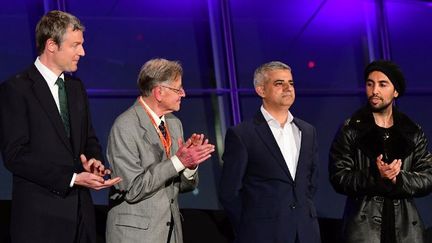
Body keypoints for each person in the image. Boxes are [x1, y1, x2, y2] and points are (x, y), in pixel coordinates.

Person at [0, 10, 121, 243]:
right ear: (51, 45)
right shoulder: (16, 90)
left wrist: (94, 162)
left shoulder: (76, 89)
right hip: (41, 223)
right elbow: (15, 155)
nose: (82, 52)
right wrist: (73, 178)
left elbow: (89, 140)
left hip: (82, 219)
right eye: (75, 45)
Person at [105, 58, 215, 243]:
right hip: (136, 236)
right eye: (178, 89)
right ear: (159, 92)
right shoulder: (125, 126)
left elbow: (180, 186)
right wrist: (179, 161)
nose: (184, 94)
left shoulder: (174, 123)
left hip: (171, 234)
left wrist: (190, 165)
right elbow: (133, 190)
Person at [329, 60, 432, 243]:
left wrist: (397, 178)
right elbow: (339, 176)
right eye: (370, 84)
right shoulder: (351, 128)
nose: (374, 90)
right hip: (363, 230)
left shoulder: (412, 131)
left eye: (382, 84)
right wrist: (375, 175)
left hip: (406, 229)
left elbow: (428, 177)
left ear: (396, 91)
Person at [219, 61, 321, 243]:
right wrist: (251, 229)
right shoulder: (242, 135)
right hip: (262, 235)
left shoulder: (307, 131)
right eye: (279, 83)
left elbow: (311, 182)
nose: (288, 88)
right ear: (261, 90)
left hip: (306, 233)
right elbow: (229, 192)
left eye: (291, 83)